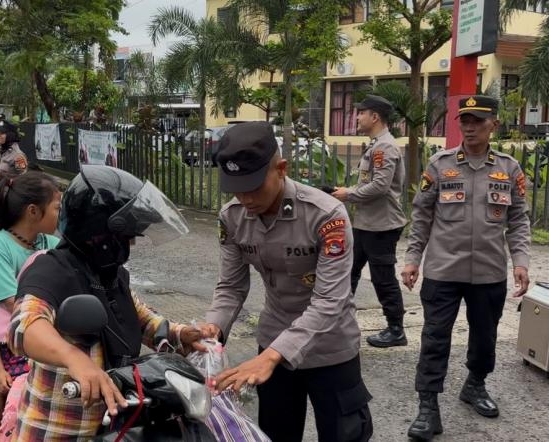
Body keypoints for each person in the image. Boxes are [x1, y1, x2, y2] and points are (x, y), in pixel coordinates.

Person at [200, 122, 373, 442]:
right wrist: (213, 329)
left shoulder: (325, 214)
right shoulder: (232, 217)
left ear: (281, 169)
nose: (245, 198)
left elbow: (329, 302)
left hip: (331, 349)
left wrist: (271, 355)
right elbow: (231, 287)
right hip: (274, 344)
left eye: (253, 186)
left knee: (344, 435)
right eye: (236, 188)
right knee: (276, 434)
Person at [8, 165, 205, 440]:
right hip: (59, 430)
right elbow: (24, 327)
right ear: (98, 233)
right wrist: (73, 357)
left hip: (118, 424)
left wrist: (181, 333)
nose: (131, 244)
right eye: (126, 237)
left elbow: (140, 317)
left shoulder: (110, 274)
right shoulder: (50, 270)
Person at [402, 95, 531, 441]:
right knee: (434, 339)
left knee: (485, 338)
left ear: (494, 125)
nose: (470, 126)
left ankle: (475, 385)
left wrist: (520, 262)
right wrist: (413, 257)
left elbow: (518, 220)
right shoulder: (440, 165)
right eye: (465, 120)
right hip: (443, 271)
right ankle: (428, 407)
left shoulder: (509, 168)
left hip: (489, 273)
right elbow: (422, 216)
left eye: (478, 120)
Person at [0, 171, 62, 442]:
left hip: (42, 333)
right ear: (34, 211)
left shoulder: (54, 244)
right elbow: (10, 302)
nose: (61, 214)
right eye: (57, 208)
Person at [332, 95, 409, 348]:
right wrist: (348, 189)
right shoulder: (376, 144)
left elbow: (380, 187)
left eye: (361, 113)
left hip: (381, 226)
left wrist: (349, 194)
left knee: (382, 277)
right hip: (366, 223)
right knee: (348, 272)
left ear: (374, 117)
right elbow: (370, 182)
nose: (357, 117)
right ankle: (339, 321)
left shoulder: (385, 147)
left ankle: (396, 329)